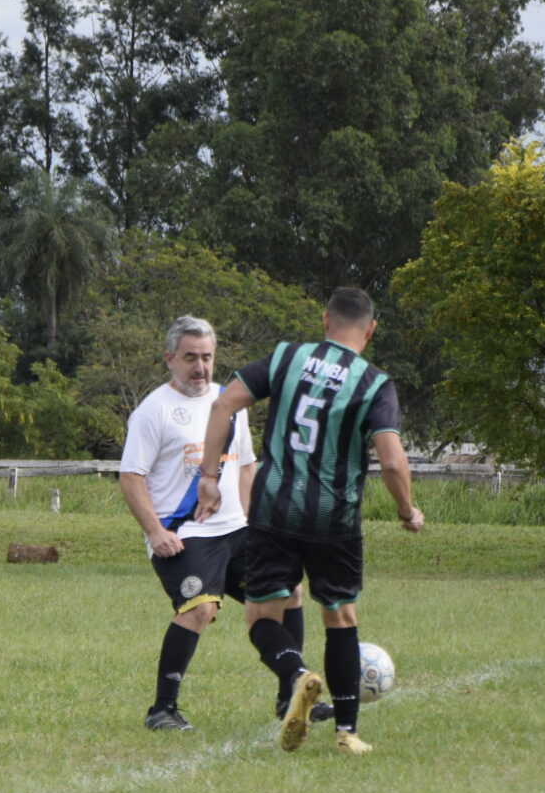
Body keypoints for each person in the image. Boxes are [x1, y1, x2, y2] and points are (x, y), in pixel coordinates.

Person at [194, 288, 424, 756]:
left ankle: (296, 673)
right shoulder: (374, 383)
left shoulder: (287, 357)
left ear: (324, 320)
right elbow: (392, 461)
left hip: (273, 510)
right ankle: (347, 733)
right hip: (333, 518)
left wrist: (210, 478)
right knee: (340, 615)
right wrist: (407, 510)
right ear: (370, 329)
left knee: (261, 616)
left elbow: (222, 405)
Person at [117, 315, 331, 731]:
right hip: (185, 532)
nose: (200, 367)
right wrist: (155, 532)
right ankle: (162, 709)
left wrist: (259, 524)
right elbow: (130, 477)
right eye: (190, 358)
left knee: (288, 590)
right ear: (169, 359)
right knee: (200, 607)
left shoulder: (228, 402)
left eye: (207, 357)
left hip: (239, 529)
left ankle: (289, 697)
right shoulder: (153, 411)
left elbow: (246, 466)